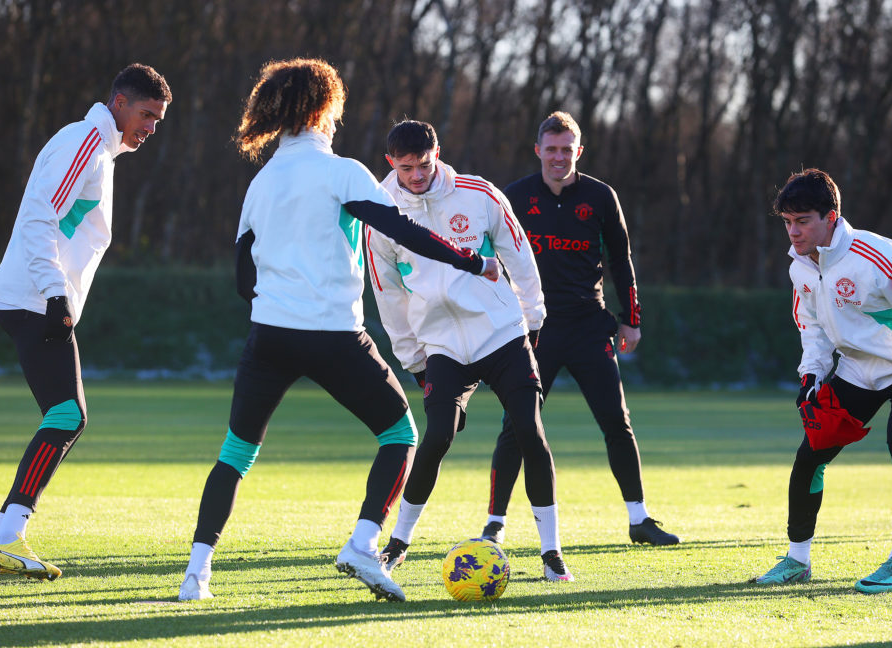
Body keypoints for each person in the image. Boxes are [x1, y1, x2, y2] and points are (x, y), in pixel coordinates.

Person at [177, 60, 497, 603]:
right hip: (332, 334)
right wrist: (473, 263)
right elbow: (404, 231)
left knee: (235, 453)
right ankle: (363, 543)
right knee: (400, 436)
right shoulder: (342, 172)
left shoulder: (260, 183)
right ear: (324, 109)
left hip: (268, 336)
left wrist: (281, 296)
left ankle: (196, 574)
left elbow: (242, 279)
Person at [0, 64, 172, 581]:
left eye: (159, 119)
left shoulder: (102, 152)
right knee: (67, 416)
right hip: (36, 297)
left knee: (66, 415)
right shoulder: (84, 141)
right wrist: (57, 295)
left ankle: (0, 538)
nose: (152, 127)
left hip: (38, 296)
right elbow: (39, 216)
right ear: (120, 103)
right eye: (147, 114)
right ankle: (6, 538)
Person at [368, 120, 574, 582]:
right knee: (437, 435)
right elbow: (388, 294)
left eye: (424, 164)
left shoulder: (478, 193)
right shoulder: (379, 212)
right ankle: (398, 543)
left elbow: (520, 256)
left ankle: (551, 552)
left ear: (437, 152)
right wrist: (413, 359)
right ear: (391, 164)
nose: (417, 175)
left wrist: (532, 319)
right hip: (441, 345)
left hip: (501, 333)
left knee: (528, 429)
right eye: (406, 168)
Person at [755, 168, 892, 594]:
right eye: (787, 222)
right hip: (855, 369)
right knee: (810, 456)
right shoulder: (800, 266)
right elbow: (811, 327)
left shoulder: (881, 255)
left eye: (803, 221)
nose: (793, 232)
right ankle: (797, 560)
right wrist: (811, 373)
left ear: (831, 217)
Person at [480, 111, 679, 547]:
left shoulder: (600, 197)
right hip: (535, 330)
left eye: (567, 149)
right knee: (517, 426)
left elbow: (621, 261)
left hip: (590, 326)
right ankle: (494, 523)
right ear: (538, 150)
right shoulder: (513, 198)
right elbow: (490, 260)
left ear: (579, 151)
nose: (558, 157)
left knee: (616, 423)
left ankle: (639, 519)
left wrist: (632, 319)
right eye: (551, 149)